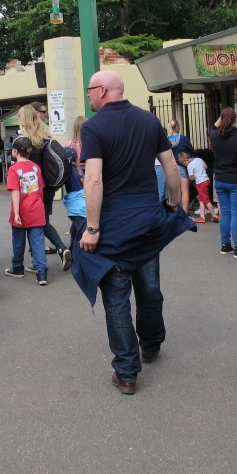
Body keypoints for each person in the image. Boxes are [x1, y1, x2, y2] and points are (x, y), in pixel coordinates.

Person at [76, 70, 195, 395]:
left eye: (89, 90)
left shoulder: (95, 127)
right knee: (149, 287)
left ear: (101, 90)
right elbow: (171, 167)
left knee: (116, 298)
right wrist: (173, 203)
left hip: (113, 223)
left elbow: (94, 180)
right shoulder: (149, 121)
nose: (88, 96)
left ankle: (127, 372)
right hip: (147, 219)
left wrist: (93, 227)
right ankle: (152, 344)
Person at [18, 104, 70, 270]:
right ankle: (61, 249)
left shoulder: (24, 142)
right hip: (48, 187)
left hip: (31, 190)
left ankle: (37, 262)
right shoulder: (45, 136)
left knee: (33, 225)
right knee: (43, 221)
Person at [4, 136, 48, 285]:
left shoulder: (14, 169)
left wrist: (16, 213)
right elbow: (40, 188)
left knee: (18, 241)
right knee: (37, 242)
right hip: (36, 209)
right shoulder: (36, 167)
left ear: (15, 151)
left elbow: (15, 192)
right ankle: (41, 273)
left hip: (21, 211)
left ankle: (17, 267)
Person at [208, 108, 237, 257]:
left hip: (219, 178)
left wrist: (220, 119)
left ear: (221, 118)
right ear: (235, 119)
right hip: (236, 179)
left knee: (225, 212)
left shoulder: (215, 136)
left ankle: (225, 244)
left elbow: (212, 128)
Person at [180, 151, 217, 224]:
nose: (184, 165)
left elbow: (191, 177)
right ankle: (202, 216)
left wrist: (191, 178)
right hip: (206, 180)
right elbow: (206, 166)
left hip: (200, 183)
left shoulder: (189, 166)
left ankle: (214, 215)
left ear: (187, 160)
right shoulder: (198, 159)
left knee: (206, 200)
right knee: (201, 199)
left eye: (184, 163)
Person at [167, 120, 195, 213]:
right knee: (185, 191)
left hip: (170, 168)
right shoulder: (183, 139)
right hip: (182, 167)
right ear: (177, 127)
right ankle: (185, 213)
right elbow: (191, 150)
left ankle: (176, 212)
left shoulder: (166, 139)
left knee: (175, 192)